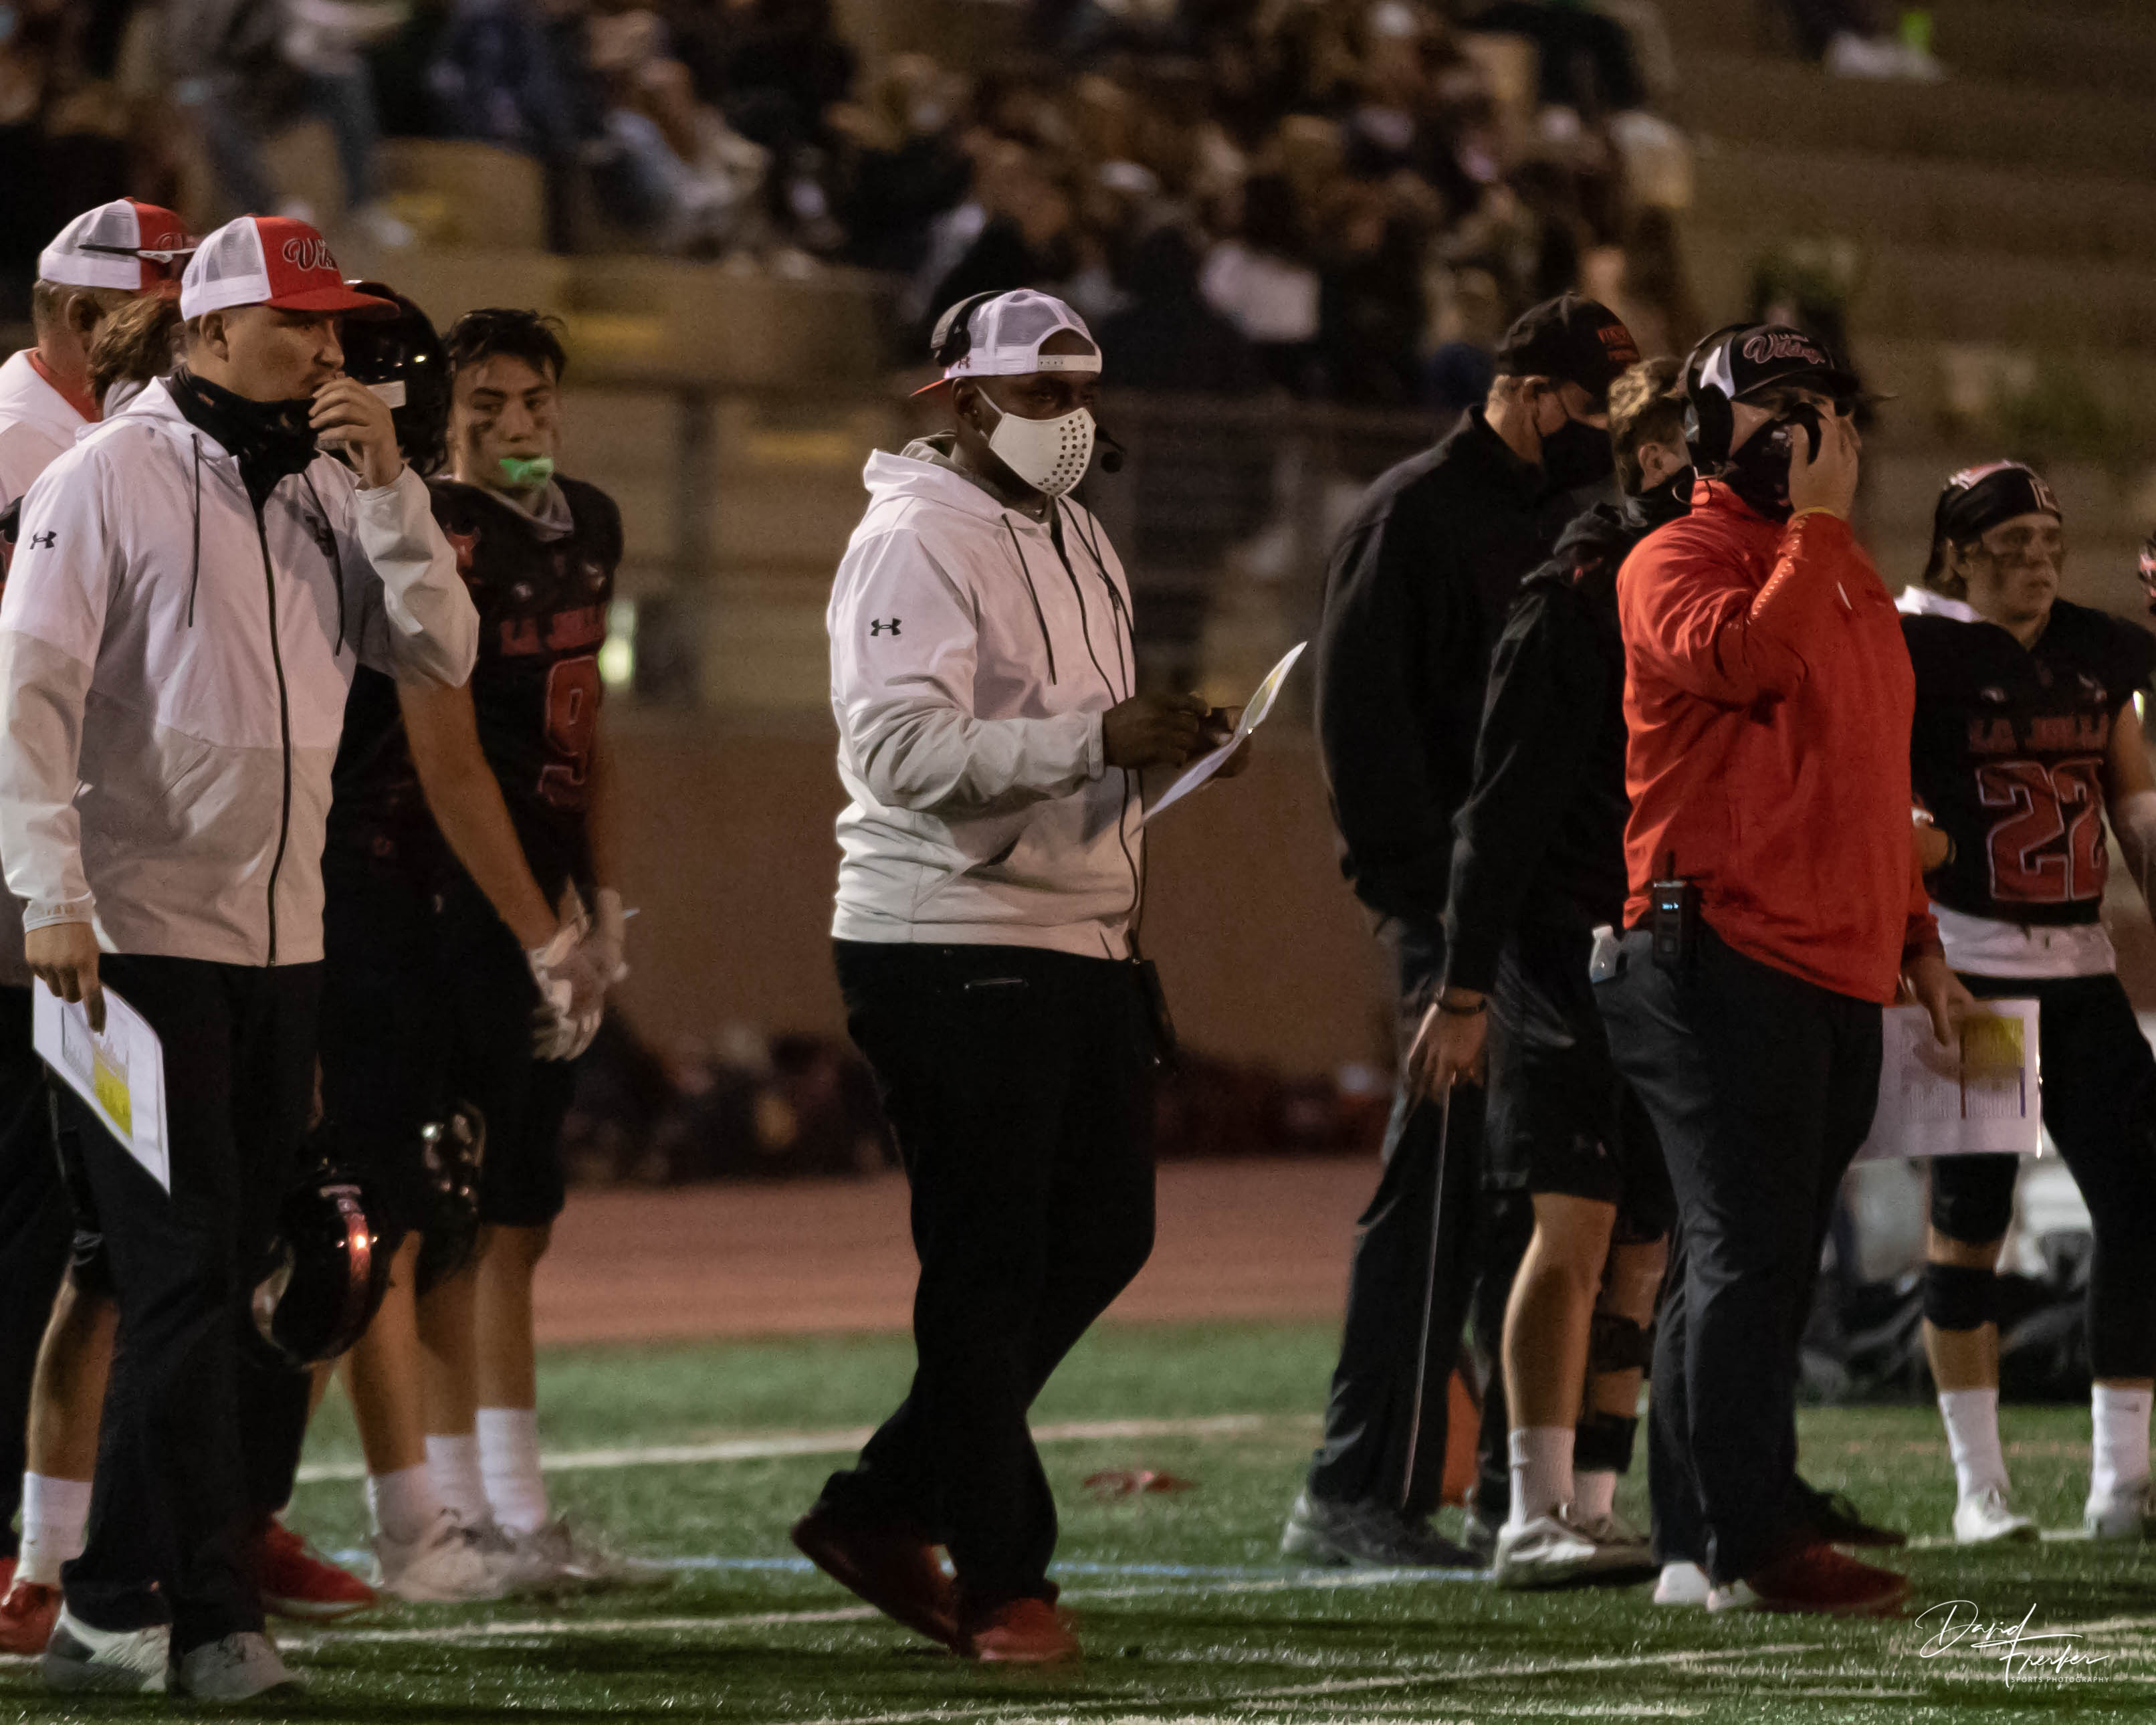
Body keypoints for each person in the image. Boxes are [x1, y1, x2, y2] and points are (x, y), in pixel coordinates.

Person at [0, 214, 477, 1698]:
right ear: (209, 330)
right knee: (181, 1273)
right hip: (125, 946)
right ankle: (208, 1619)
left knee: (216, 1268)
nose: (330, 353)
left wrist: (394, 491)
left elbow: (440, 652)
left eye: (336, 328)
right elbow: (28, 693)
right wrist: (49, 894)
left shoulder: (334, 486)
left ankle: (99, 1601)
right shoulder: (105, 475)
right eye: (300, 326)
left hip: (279, 947)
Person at [792, 288, 1244, 1665]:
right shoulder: (913, 538)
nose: (1069, 417)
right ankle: (1000, 1573)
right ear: (963, 397)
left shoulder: (1077, 532)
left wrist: (1168, 743)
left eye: (1081, 391)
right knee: (987, 1263)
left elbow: (1071, 730)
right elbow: (896, 754)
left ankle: (886, 1501)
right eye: (1042, 394)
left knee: (1102, 1236)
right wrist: (1096, 741)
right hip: (948, 932)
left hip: (1070, 931)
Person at [1594, 322, 1972, 1616]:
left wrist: (1919, 942)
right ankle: (1754, 1538)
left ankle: (1700, 1534)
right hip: (1716, 942)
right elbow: (1747, 663)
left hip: (1830, 957)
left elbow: (1871, 776)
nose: (1808, 428)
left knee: (1754, 1258)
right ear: (1709, 431)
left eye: (1821, 404)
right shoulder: (1673, 557)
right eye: (1777, 405)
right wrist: (1813, 530)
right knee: (1747, 1255)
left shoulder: (1842, 567)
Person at [1289, 294, 1639, 1569]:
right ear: (1535, 397)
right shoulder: (1408, 521)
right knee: (1435, 1191)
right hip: (1455, 919)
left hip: (1543, 917)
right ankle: (1357, 1490)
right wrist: (1443, 924)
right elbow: (1364, 742)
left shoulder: (1567, 518)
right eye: (1593, 411)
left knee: (1517, 1207)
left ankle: (1511, 1496)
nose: (1607, 441)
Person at [360, 308, 637, 1589]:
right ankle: (447, 1511)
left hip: (546, 902)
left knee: (522, 1208)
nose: (519, 426)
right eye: (490, 406)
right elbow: (449, 757)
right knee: (440, 1210)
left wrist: (602, 898)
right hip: (444, 900)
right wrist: (540, 931)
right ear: (447, 417)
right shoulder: (432, 530)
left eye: (536, 401)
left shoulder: (592, 523)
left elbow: (594, 731)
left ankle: (519, 1512)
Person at [1414, 357, 1689, 1587]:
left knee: (1643, 1240)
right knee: (1572, 1226)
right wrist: (1465, 988)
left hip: (1659, 941)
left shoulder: (1707, 588)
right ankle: (1530, 1508)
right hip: (1561, 944)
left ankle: (1595, 1500)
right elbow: (1502, 811)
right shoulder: (1576, 598)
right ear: (1657, 458)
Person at [0, 198, 195, 1656]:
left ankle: (135, 1530)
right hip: (38, 877)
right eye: (163, 317)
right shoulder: (33, 445)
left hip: (123, 873)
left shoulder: (145, 446)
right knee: (48, 1225)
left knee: (114, 1233)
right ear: (83, 317)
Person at [1898, 462, 2156, 1545]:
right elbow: (1888, 811)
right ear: (1957, 554)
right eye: (2011, 548)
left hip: (2081, 969)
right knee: (1972, 1224)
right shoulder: (1913, 651)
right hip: (1975, 972)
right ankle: (1980, 1487)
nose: (2038, 567)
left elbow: (2136, 809)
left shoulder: (2095, 653)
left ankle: (2122, 1480)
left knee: (2142, 1204)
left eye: (2050, 546)